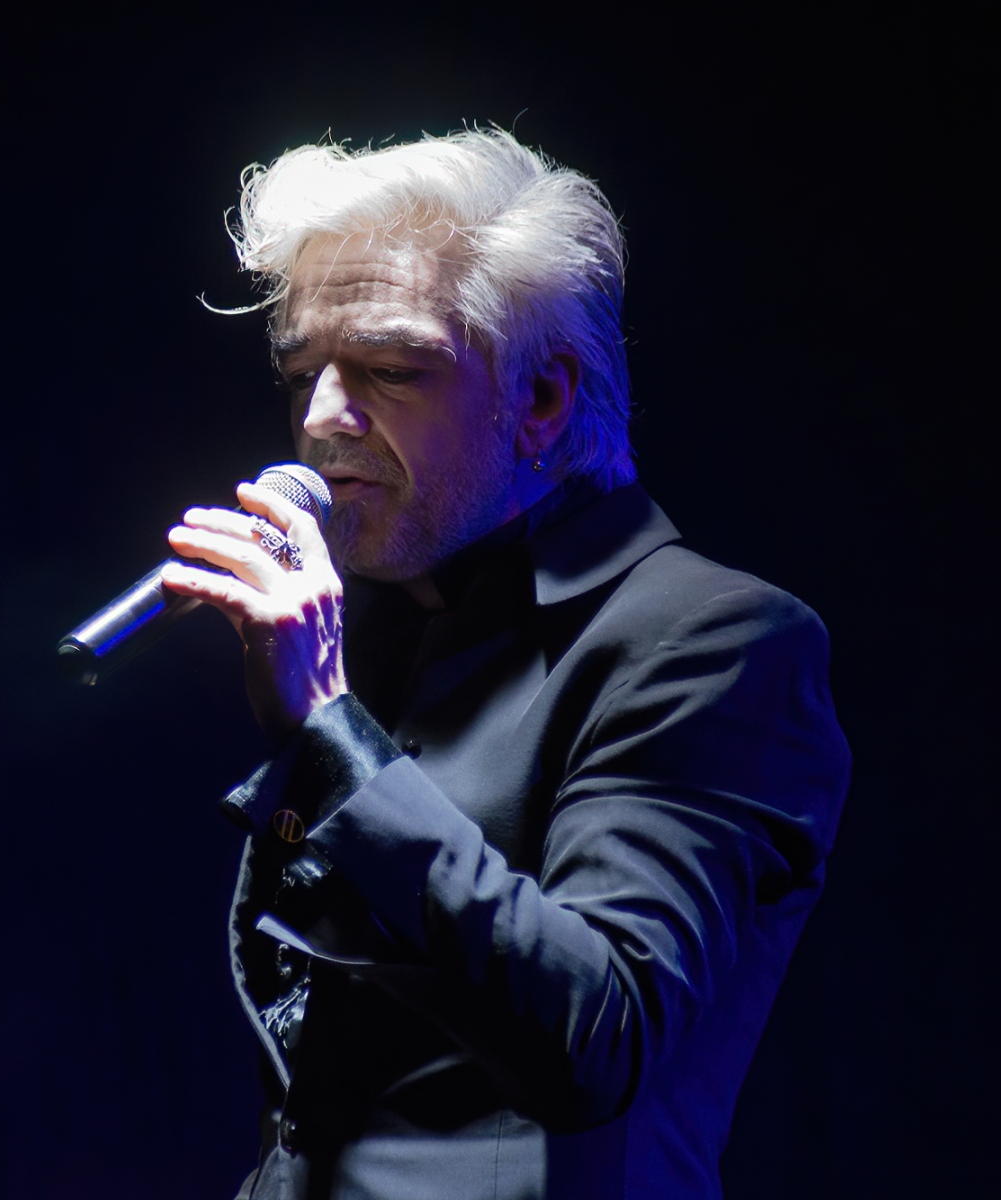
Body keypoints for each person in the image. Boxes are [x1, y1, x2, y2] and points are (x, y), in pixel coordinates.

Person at [158, 130, 850, 1200]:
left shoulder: (713, 640)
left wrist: (330, 732)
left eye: (390, 369)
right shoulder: (382, 629)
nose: (322, 419)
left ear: (543, 400)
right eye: (301, 373)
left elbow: (596, 1038)